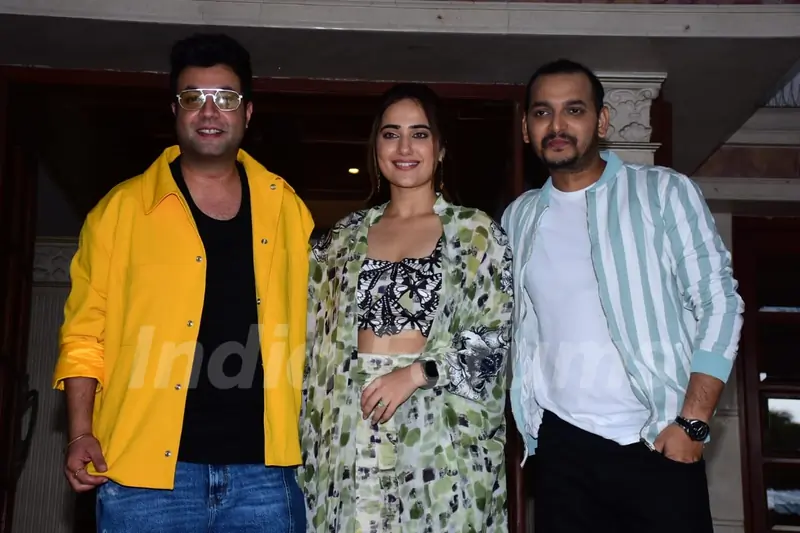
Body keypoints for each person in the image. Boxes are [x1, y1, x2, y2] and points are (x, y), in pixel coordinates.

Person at [53, 33, 313, 532]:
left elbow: (319, 325)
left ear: (248, 113)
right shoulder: (119, 212)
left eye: (226, 99)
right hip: (144, 478)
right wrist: (80, 432)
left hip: (265, 473)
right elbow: (85, 334)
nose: (210, 112)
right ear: (175, 110)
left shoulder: (287, 209)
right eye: (194, 97)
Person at [502, 58, 745, 533]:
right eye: (542, 113)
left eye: (574, 110)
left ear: (603, 120)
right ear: (526, 128)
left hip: (657, 439)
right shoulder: (519, 218)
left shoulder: (663, 192)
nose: (557, 125)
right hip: (561, 451)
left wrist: (693, 421)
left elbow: (720, 301)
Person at [300, 83, 513, 533]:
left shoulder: (475, 233)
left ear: (440, 149)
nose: (404, 147)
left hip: (439, 435)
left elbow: (495, 336)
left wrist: (414, 375)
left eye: (419, 134)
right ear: (375, 146)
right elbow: (309, 340)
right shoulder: (343, 237)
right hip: (350, 426)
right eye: (390, 133)